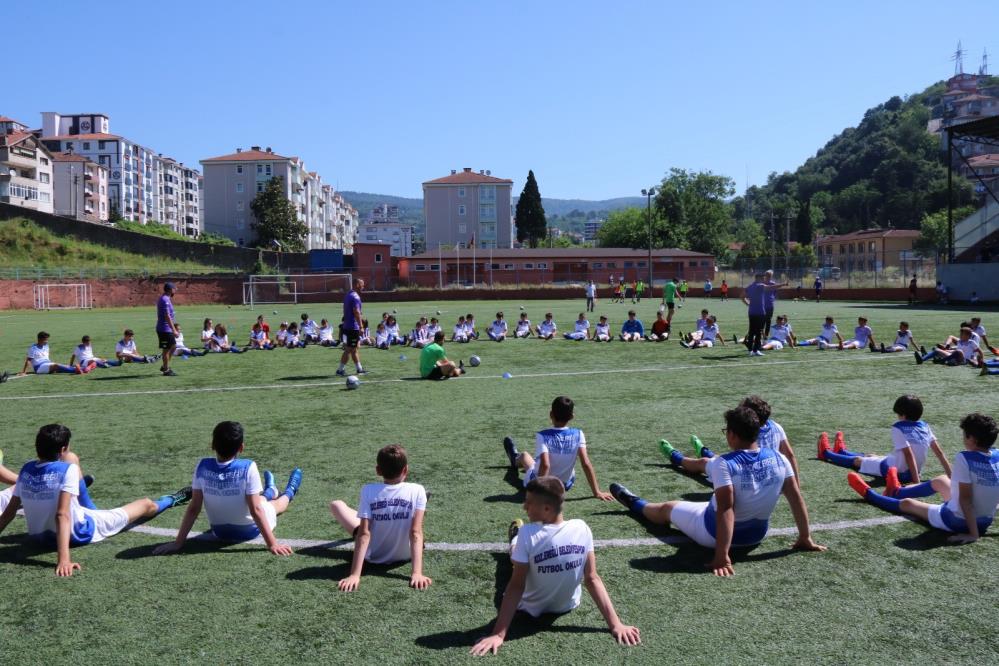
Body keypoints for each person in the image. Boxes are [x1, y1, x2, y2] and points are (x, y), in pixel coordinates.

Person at [611, 405, 825, 576]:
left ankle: (633, 502)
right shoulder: (779, 458)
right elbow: (796, 498)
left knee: (667, 508)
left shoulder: (724, 462)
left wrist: (721, 555)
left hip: (712, 534)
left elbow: (726, 508)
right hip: (757, 535)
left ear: (732, 434)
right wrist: (805, 537)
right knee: (706, 504)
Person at [470, 476, 640, 656]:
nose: (524, 507)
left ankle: (514, 540)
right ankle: (515, 546)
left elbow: (516, 586)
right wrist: (615, 624)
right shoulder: (582, 527)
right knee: (521, 558)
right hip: (568, 605)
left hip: (527, 608)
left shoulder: (528, 533)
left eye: (528, 502)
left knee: (514, 561)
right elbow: (592, 578)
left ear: (546, 508)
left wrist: (498, 634)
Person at [0, 424, 191, 576]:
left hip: (37, 538)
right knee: (145, 504)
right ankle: (172, 499)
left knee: (73, 461)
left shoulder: (26, 470)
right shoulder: (67, 470)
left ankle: (81, 492)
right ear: (63, 448)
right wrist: (63, 559)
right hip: (80, 531)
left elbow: (8, 513)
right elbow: (62, 514)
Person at [846, 413, 998, 544]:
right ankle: (896, 491)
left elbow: (965, 500)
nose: (963, 438)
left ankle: (870, 494)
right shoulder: (997, 455)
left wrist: (973, 534)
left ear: (971, 439)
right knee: (941, 480)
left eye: (964, 434)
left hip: (956, 520)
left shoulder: (965, 457)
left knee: (908, 504)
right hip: (985, 521)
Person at [153, 421, 301, 555]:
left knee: (258, 500)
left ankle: (270, 490)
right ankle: (290, 490)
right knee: (275, 506)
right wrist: (272, 544)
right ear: (241, 447)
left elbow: (193, 508)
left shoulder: (202, 466)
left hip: (219, 532)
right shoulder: (248, 466)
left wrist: (178, 543)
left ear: (212, 445)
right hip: (249, 532)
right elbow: (256, 510)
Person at [329, 444, 431, 592]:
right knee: (416, 521)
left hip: (374, 556)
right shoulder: (417, 489)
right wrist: (417, 573)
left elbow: (364, 534)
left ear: (378, 470)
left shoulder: (368, 490)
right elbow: (415, 532)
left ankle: (370, 513)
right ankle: (417, 506)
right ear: (406, 469)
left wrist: (355, 575)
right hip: (407, 553)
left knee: (336, 504)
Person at [659, 395, 802, 489]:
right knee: (718, 459)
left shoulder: (747, 431)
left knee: (702, 463)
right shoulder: (777, 426)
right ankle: (704, 450)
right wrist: (796, 483)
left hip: (745, 477)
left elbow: (737, 460)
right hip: (770, 475)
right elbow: (790, 455)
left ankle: (676, 457)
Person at [817, 395, 950, 485]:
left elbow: (909, 455)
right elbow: (939, 453)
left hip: (896, 471)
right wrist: (952, 476)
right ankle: (841, 450)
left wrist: (916, 484)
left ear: (903, 415)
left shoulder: (898, 427)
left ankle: (826, 453)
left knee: (857, 461)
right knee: (871, 456)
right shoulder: (924, 426)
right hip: (906, 468)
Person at [502, 396, 614, 500]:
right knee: (564, 463)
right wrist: (597, 492)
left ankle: (515, 459)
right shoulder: (579, 433)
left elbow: (545, 465)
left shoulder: (542, 435)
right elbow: (586, 463)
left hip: (544, 485)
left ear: (551, 414)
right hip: (564, 485)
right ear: (572, 416)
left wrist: (539, 493)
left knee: (525, 456)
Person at [742, 273, 784, 356]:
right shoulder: (760, 285)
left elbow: (741, 296)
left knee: (751, 331)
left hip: (751, 312)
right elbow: (772, 287)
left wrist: (748, 304)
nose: (764, 280)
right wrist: (783, 284)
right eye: (763, 278)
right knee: (759, 332)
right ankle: (755, 350)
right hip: (760, 312)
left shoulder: (750, 286)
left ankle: (750, 350)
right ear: (760, 278)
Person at [337, 278, 365, 376]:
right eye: (362, 285)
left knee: (354, 348)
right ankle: (340, 370)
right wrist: (361, 326)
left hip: (347, 326)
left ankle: (359, 369)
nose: (363, 287)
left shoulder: (348, 295)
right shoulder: (355, 297)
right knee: (349, 349)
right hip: (353, 327)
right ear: (357, 284)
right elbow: (356, 312)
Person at [915, 327, 982, 367]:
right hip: (954, 358)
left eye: (962, 334)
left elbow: (980, 351)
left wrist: (980, 359)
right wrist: (945, 351)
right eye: (960, 334)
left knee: (959, 351)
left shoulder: (971, 342)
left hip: (963, 361)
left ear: (968, 336)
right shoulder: (959, 342)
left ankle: (941, 360)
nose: (960, 335)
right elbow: (955, 351)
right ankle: (922, 359)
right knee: (937, 350)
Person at [156, 282, 179, 376]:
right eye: (174, 289)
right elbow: (167, 316)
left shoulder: (167, 299)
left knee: (173, 347)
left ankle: (165, 365)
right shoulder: (165, 300)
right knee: (166, 349)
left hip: (166, 329)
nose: (175, 290)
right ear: (170, 289)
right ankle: (166, 370)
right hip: (164, 329)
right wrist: (174, 329)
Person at [762, 269, 779, 338]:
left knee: (768, 320)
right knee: (762, 320)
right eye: (767, 275)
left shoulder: (773, 283)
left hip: (770, 304)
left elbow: (775, 292)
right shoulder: (762, 283)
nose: (768, 276)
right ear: (765, 275)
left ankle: (766, 335)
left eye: (769, 275)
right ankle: (761, 334)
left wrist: (773, 298)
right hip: (762, 304)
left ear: (771, 276)